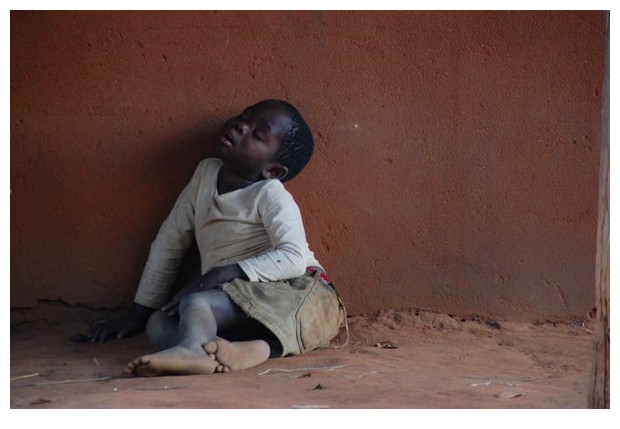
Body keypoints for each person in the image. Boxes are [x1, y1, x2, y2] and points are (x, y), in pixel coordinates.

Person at [81, 99, 345, 377]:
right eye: (245, 116)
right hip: (236, 300)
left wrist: (218, 275)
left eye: (257, 134)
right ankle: (220, 352)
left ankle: (216, 350)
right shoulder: (205, 174)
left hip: (299, 293)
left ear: (273, 171)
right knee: (159, 323)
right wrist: (138, 314)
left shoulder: (270, 193)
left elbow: (293, 258)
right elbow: (169, 243)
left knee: (196, 302)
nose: (241, 125)